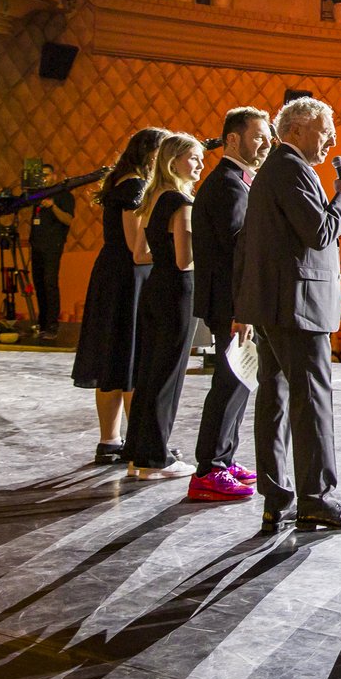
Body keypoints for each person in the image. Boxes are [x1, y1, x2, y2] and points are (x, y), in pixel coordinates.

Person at [237, 96, 341, 533]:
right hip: (297, 305)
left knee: (275, 400)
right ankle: (317, 498)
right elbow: (320, 232)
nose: (332, 141)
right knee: (311, 401)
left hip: (275, 303)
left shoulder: (277, 169)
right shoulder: (291, 169)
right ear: (296, 129)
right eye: (325, 131)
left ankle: (277, 498)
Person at [187, 107, 272, 503]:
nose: (267, 143)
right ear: (233, 139)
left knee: (239, 380)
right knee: (229, 381)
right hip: (230, 302)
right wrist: (244, 309)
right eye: (259, 136)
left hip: (232, 301)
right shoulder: (227, 184)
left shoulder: (236, 181)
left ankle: (224, 457)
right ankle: (210, 469)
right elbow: (238, 250)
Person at [73, 127, 167, 465]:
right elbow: (136, 247)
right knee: (130, 360)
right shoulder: (135, 186)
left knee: (114, 359)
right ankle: (137, 443)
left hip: (113, 274)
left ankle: (110, 440)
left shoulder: (121, 181)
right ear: (151, 153)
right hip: (128, 278)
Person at [121, 134, 206, 479]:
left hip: (154, 288)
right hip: (178, 293)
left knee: (149, 373)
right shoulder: (182, 202)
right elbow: (186, 261)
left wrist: (167, 256)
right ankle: (155, 458)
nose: (200, 164)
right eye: (194, 158)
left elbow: (141, 254)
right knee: (168, 375)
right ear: (174, 162)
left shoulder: (153, 197)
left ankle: (138, 454)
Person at [28, 163, 76, 339]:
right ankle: (42, 324)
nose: (44, 178)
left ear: (55, 176)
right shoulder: (37, 195)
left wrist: (52, 206)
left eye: (47, 175)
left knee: (50, 284)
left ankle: (52, 325)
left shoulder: (64, 196)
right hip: (37, 246)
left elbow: (68, 220)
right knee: (39, 285)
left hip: (52, 246)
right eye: (41, 175)